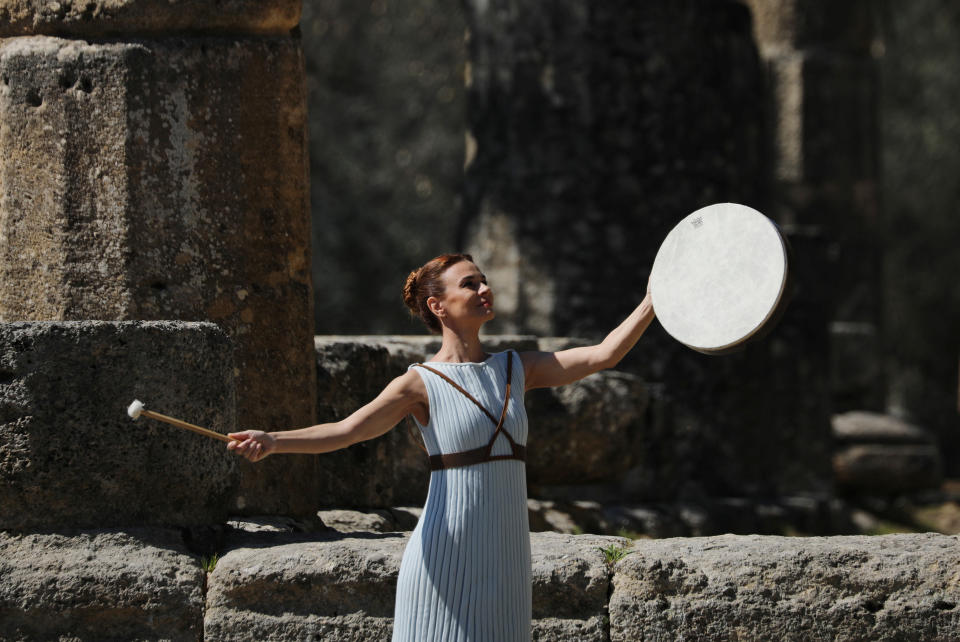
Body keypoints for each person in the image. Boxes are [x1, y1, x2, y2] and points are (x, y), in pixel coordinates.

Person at [227, 253, 656, 642]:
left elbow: (604, 354)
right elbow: (347, 431)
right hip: (446, 555)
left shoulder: (516, 368)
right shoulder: (418, 383)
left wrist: (652, 300)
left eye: (484, 280)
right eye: (470, 284)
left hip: (506, 557)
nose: (484, 289)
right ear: (438, 306)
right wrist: (274, 441)